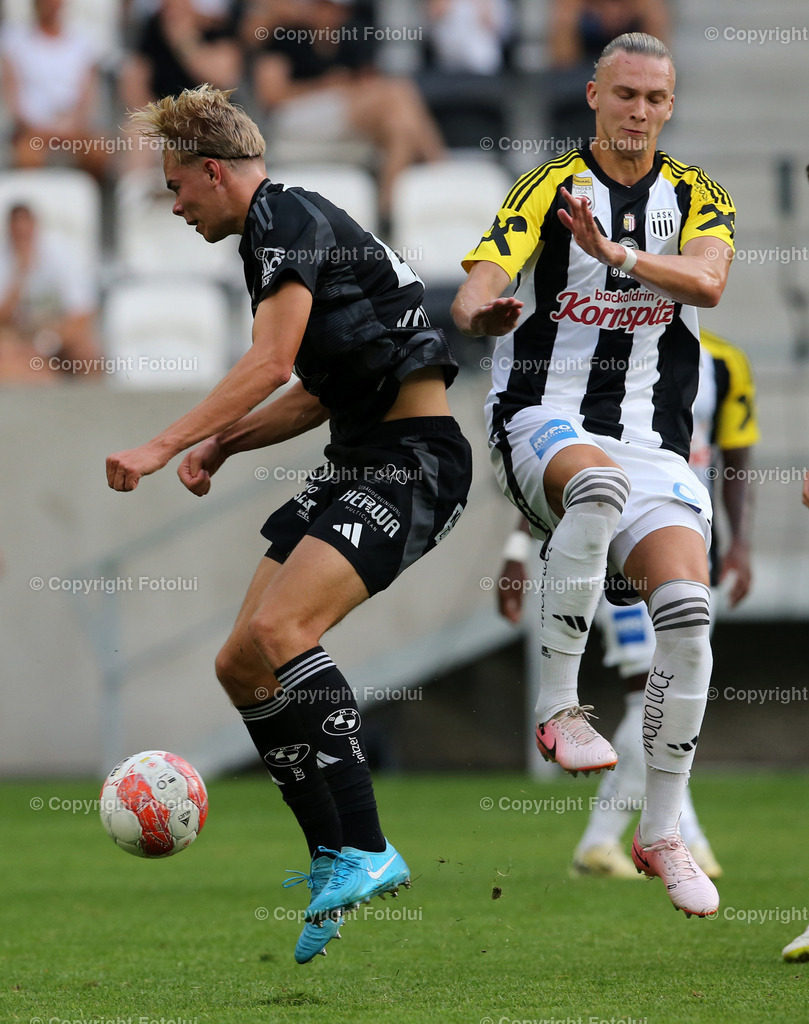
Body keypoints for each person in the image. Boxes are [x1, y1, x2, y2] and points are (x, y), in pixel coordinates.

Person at [106, 84, 472, 963]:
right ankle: (332, 861)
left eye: (176, 186)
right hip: (359, 457)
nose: (176, 205)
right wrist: (225, 444)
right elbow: (316, 388)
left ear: (213, 170)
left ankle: (370, 848)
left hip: (414, 461)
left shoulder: (285, 216)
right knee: (240, 663)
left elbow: (269, 362)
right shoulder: (285, 232)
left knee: (282, 631)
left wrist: (163, 444)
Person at [452, 32, 735, 918]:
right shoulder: (546, 188)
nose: (638, 111)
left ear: (669, 105)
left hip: (653, 443)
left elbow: (707, 283)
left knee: (688, 619)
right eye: (624, 94)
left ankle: (659, 834)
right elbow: (478, 281)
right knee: (596, 486)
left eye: (654, 98)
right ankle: (558, 707)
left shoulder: (698, 195)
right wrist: (480, 310)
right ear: (592, 95)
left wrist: (617, 258)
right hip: (542, 419)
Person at [497, 329, 759, 880]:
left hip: (682, 532)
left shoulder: (725, 361)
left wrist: (739, 543)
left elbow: (735, 459)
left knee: (676, 674)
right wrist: (518, 549)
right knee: (646, 695)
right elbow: (561, 454)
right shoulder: (603, 339)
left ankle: (608, 842)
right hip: (613, 537)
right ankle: (673, 837)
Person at [249, 0, 446, 219]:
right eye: (325, 7)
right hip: (296, 116)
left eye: (339, 10)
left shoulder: (349, 41)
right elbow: (271, 97)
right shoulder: (286, 38)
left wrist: (350, 87)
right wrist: (326, 85)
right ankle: (439, 170)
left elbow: (367, 81)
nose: (332, 15)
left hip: (342, 113)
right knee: (399, 91)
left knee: (399, 126)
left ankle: (387, 211)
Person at [0, 0, 109, 179]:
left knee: (98, 154)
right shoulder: (14, 42)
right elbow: (13, 96)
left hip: (74, 127)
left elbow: (87, 96)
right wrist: (40, 128)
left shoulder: (83, 42)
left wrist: (70, 126)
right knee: (27, 157)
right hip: (32, 129)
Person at [0, 203, 101, 384]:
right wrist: (20, 275)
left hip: (58, 333)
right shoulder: (4, 259)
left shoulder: (63, 254)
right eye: (17, 232)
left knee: (88, 356)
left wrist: (46, 343)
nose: (23, 236)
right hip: (18, 337)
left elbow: (83, 314)